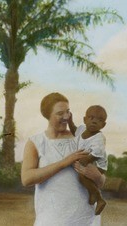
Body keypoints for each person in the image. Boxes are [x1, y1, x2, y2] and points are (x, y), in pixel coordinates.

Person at [21, 92, 106, 226]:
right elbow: (26, 179)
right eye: (60, 113)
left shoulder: (83, 137)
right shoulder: (36, 142)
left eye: (68, 112)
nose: (66, 117)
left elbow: (101, 181)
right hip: (52, 220)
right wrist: (64, 162)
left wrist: (97, 176)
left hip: (85, 219)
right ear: (47, 115)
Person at [68, 105, 108, 215]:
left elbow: (97, 153)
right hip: (87, 161)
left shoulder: (99, 137)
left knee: (82, 176)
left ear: (103, 125)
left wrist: (85, 160)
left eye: (99, 120)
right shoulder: (81, 129)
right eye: (91, 118)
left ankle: (99, 198)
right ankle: (92, 193)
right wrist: (70, 121)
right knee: (83, 176)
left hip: (98, 164)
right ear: (85, 120)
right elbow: (74, 130)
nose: (94, 121)